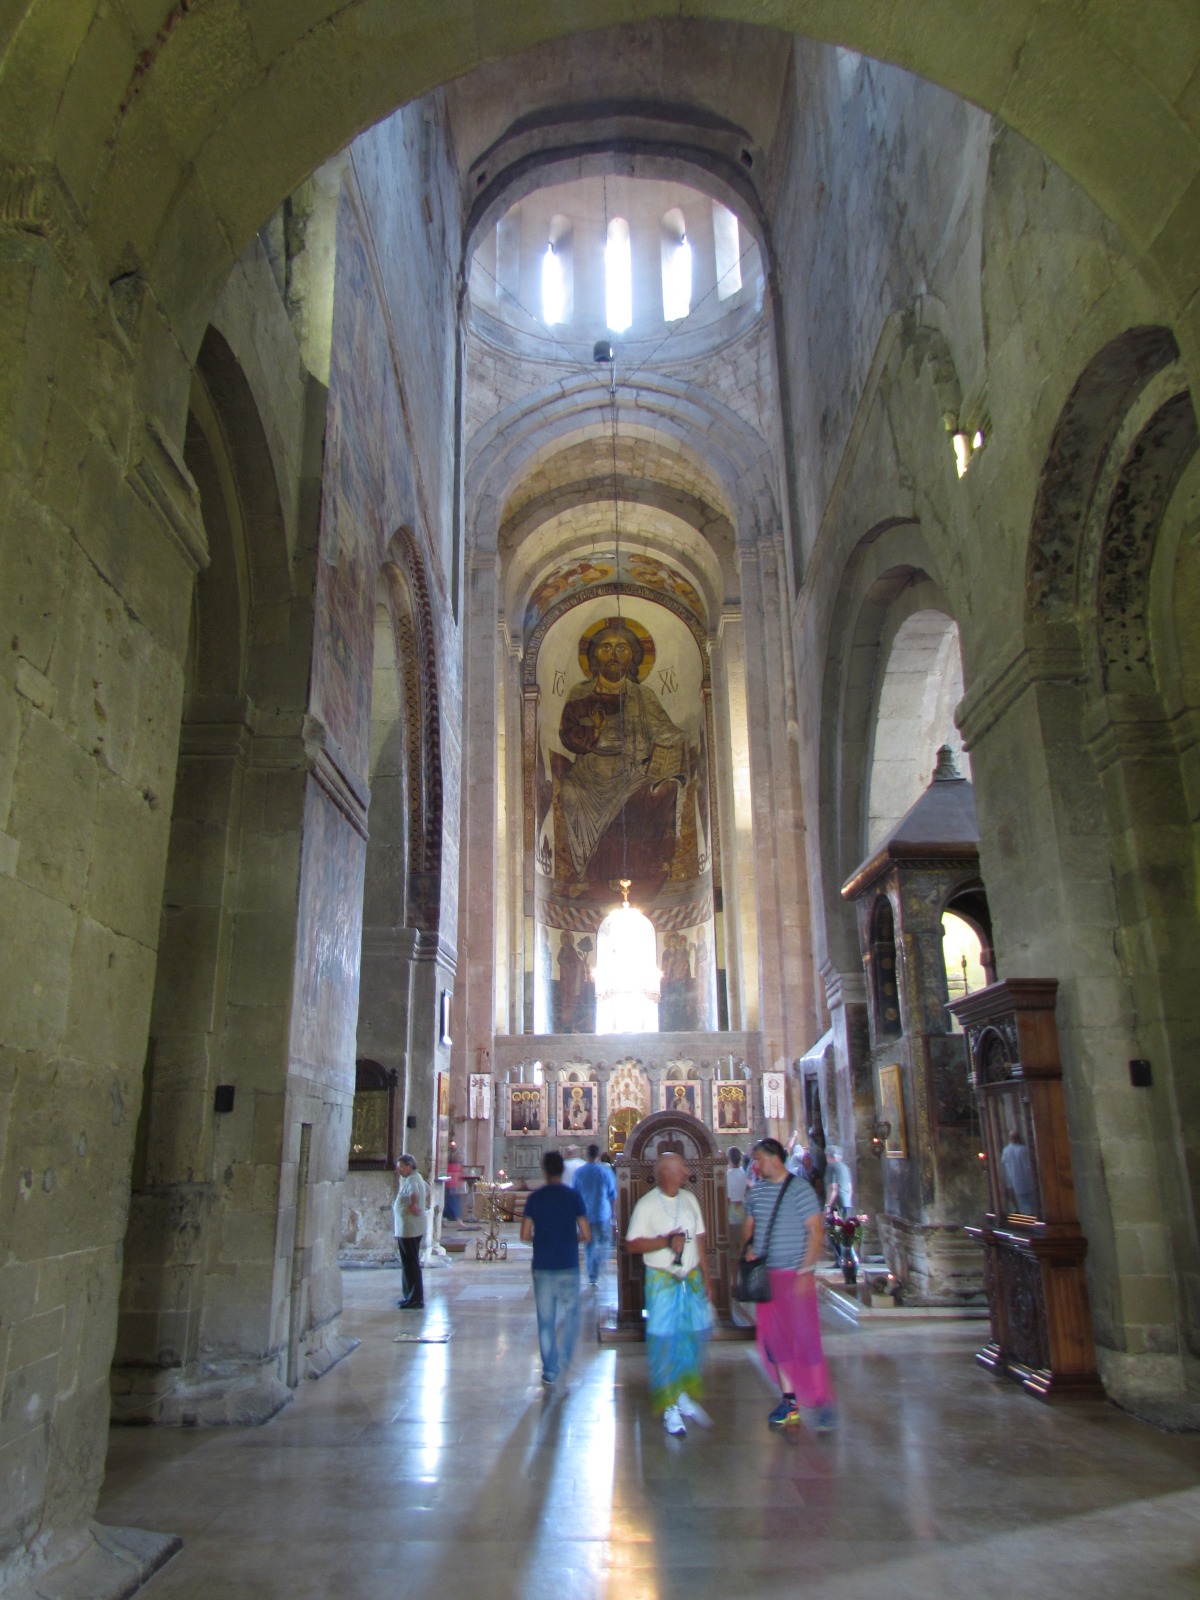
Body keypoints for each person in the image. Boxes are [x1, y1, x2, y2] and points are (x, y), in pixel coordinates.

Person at [557, 621, 687, 888]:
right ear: (594, 656)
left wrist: (674, 742)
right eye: (606, 647)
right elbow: (569, 733)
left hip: (634, 772)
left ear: (632, 657)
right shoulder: (580, 692)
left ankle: (647, 866)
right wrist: (593, 733)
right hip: (590, 773)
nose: (614, 653)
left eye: (621, 648)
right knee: (570, 792)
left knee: (663, 791)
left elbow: (665, 731)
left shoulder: (643, 695)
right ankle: (587, 873)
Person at [742, 1136, 836, 1432]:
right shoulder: (756, 1194)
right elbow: (749, 1233)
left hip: (795, 1277)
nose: (755, 1165)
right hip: (768, 1278)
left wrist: (806, 1270)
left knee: (805, 1341)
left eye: (758, 1159)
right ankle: (789, 1400)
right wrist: (750, 1250)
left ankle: (821, 1399)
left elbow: (816, 1229)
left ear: (774, 1158)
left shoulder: (799, 1189)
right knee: (774, 1341)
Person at [625, 1151, 714, 1436]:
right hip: (662, 1283)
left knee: (692, 1337)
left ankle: (681, 1393)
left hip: (691, 1281)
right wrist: (664, 1242)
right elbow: (632, 1244)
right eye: (680, 1168)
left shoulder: (689, 1200)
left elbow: (699, 1240)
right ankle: (669, 1406)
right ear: (665, 1172)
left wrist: (707, 1278)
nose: (686, 1172)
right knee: (665, 1341)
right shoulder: (647, 1204)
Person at [520, 1149, 591, 1386]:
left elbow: (524, 1234)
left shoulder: (535, 1198)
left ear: (544, 1170)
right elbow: (586, 1233)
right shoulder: (573, 1196)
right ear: (562, 1170)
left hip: (542, 1265)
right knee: (571, 1316)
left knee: (546, 1320)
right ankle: (566, 1358)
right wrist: (570, 1240)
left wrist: (542, 1240)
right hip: (568, 1264)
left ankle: (550, 1369)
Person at [574, 1143, 618, 1286]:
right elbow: (612, 1194)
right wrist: (613, 1215)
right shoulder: (606, 1171)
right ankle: (599, 1264)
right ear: (598, 1155)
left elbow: (574, 1194)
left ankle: (592, 1275)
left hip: (585, 1214)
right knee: (605, 1243)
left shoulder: (579, 1172)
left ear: (587, 1155)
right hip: (603, 1213)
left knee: (589, 1245)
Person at [393, 1154, 429, 1310]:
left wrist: (414, 1205)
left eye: (402, 1166)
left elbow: (414, 1192)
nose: (399, 1169)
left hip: (409, 1228)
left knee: (410, 1264)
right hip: (410, 1228)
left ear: (410, 1166)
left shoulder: (411, 1180)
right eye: (398, 1166)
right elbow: (427, 1188)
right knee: (409, 1263)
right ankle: (410, 1296)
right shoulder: (417, 1177)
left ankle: (414, 1298)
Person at [1001, 1127, 1037, 1216]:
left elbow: (1004, 1164)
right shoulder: (1022, 1149)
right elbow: (1028, 1165)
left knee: (1021, 1202)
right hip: (1025, 1179)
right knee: (1029, 1203)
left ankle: (1024, 1214)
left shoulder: (1006, 1151)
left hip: (1013, 1179)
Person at [824, 1144, 852, 1219]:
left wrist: (828, 1205)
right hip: (846, 1203)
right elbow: (850, 1189)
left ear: (829, 1156)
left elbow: (833, 1188)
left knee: (835, 1228)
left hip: (836, 1203)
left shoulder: (831, 1166)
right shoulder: (845, 1168)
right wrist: (846, 1201)